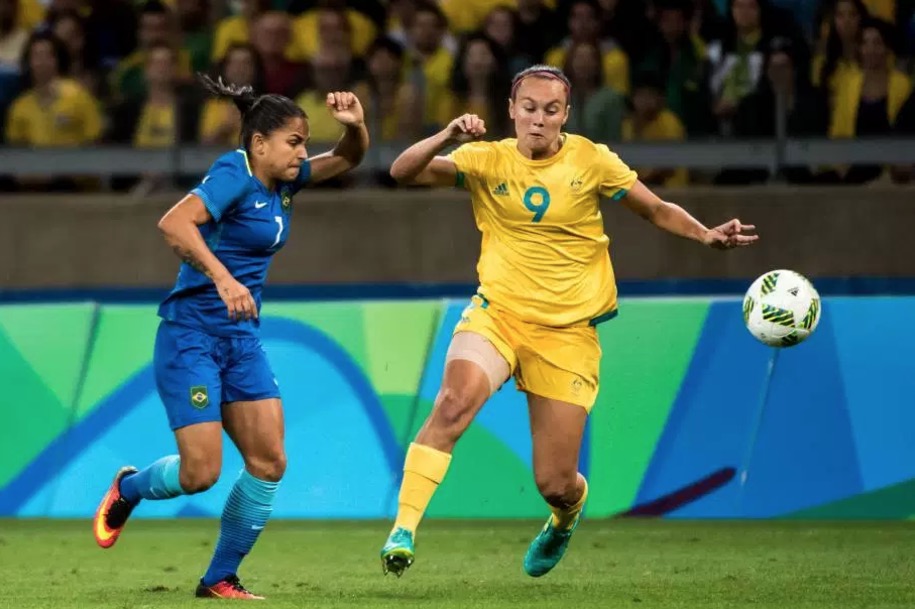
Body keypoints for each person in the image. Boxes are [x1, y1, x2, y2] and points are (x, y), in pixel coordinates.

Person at [379, 64, 758, 578]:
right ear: (512, 111)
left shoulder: (591, 159)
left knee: (555, 482)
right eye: (529, 108)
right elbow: (402, 172)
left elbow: (654, 208)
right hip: (498, 315)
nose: (538, 119)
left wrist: (704, 234)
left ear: (565, 115)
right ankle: (403, 530)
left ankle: (565, 515)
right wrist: (447, 135)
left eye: (550, 110)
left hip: (567, 333)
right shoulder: (486, 159)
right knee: (452, 402)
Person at [92, 74, 369, 599]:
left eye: (306, 142)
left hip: (241, 340)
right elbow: (174, 223)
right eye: (294, 142)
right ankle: (128, 488)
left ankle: (219, 577)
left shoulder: (284, 183)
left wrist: (355, 126)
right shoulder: (233, 172)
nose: (302, 153)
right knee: (200, 474)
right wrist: (223, 279)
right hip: (191, 337)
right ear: (259, 143)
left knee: (269, 461)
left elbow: (348, 158)